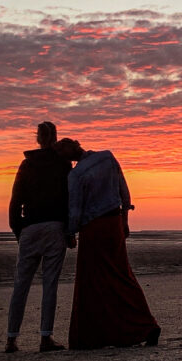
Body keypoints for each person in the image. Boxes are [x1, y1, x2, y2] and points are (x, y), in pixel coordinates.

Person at [55, 138, 160, 349]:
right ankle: (144, 327)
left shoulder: (75, 175)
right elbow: (124, 190)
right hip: (113, 224)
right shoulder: (108, 157)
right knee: (121, 275)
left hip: (93, 229)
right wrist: (124, 220)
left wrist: (70, 233)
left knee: (93, 282)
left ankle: (94, 336)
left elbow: (75, 208)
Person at [5, 121, 74, 353]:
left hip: (30, 227)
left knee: (21, 285)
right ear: (54, 138)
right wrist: (70, 230)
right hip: (54, 226)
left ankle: (11, 339)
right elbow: (70, 199)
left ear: (38, 139)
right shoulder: (63, 165)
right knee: (49, 285)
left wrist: (19, 232)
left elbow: (15, 203)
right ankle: (45, 337)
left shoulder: (27, 165)